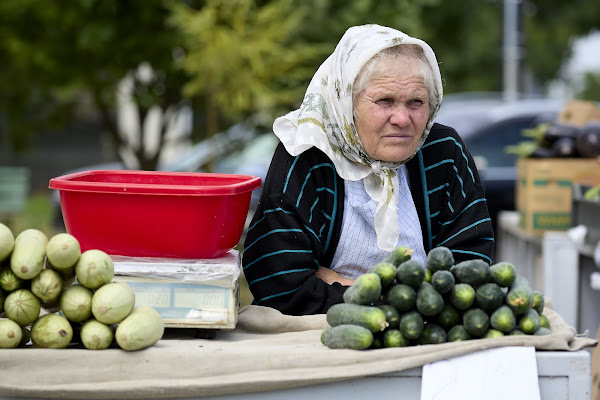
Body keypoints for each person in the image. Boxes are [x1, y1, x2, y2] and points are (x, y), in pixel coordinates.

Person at [242, 24, 494, 315]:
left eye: (416, 102)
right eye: (385, 101)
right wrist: (410, 299)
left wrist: (337, 281)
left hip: (422, 338)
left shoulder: (444, 152)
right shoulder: (306, 153)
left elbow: (471, 272)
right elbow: (278, 285)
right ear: (348, 103)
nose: (402, 118)